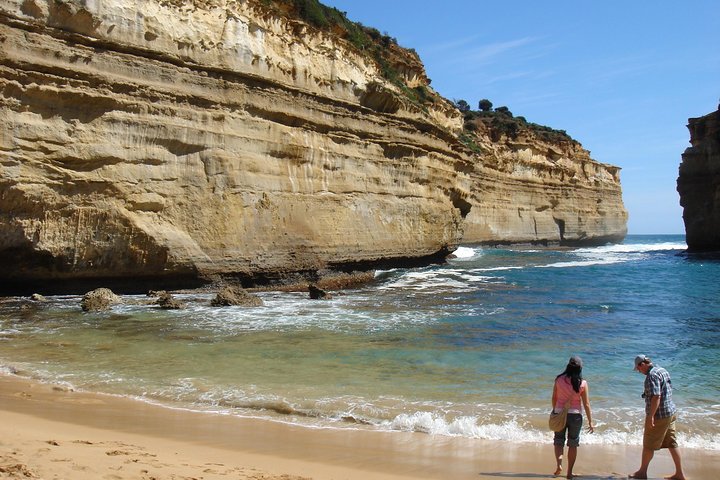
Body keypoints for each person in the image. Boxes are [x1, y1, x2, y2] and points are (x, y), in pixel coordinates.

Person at [630, 355, 686, 480]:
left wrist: (650, 417)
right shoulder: (662, 370)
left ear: (642, 364)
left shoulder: (652, 376)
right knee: (672, 443)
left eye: (638, 369)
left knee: (648, 444)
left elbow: (656, 397)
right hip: (670, 412)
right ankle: (680, 474)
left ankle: (642, 472)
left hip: (659, 415)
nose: (639, 371)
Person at [551, 356, 594, 478]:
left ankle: (559, 464)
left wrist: (556, 411)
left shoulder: (559, 379)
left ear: (568, 366)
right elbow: (586, 404)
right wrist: (591, 421)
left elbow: (554, 397)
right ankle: (569, 473)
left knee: (558, 441)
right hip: (575, 416)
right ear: (580, 368)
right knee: (573, 444)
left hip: (560, 412)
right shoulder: (583, 383)